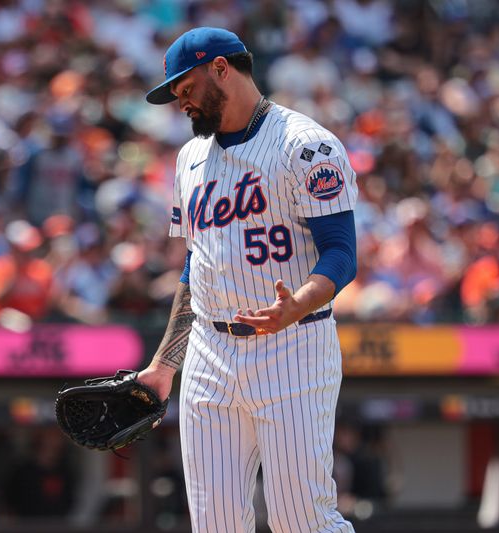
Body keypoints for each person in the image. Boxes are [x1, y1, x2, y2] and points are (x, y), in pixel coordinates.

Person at [136, 27, 358, 533]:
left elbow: (342, 253)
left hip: (293, 347)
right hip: (209, 353)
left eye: (186, 88)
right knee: (214, 524)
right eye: (176, 95)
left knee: (301, 520)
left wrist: (297, 305)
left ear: (221, 69)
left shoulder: (305, 145)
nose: (181, 103)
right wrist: (164, 364)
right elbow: (198, 266)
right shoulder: (189, 159)